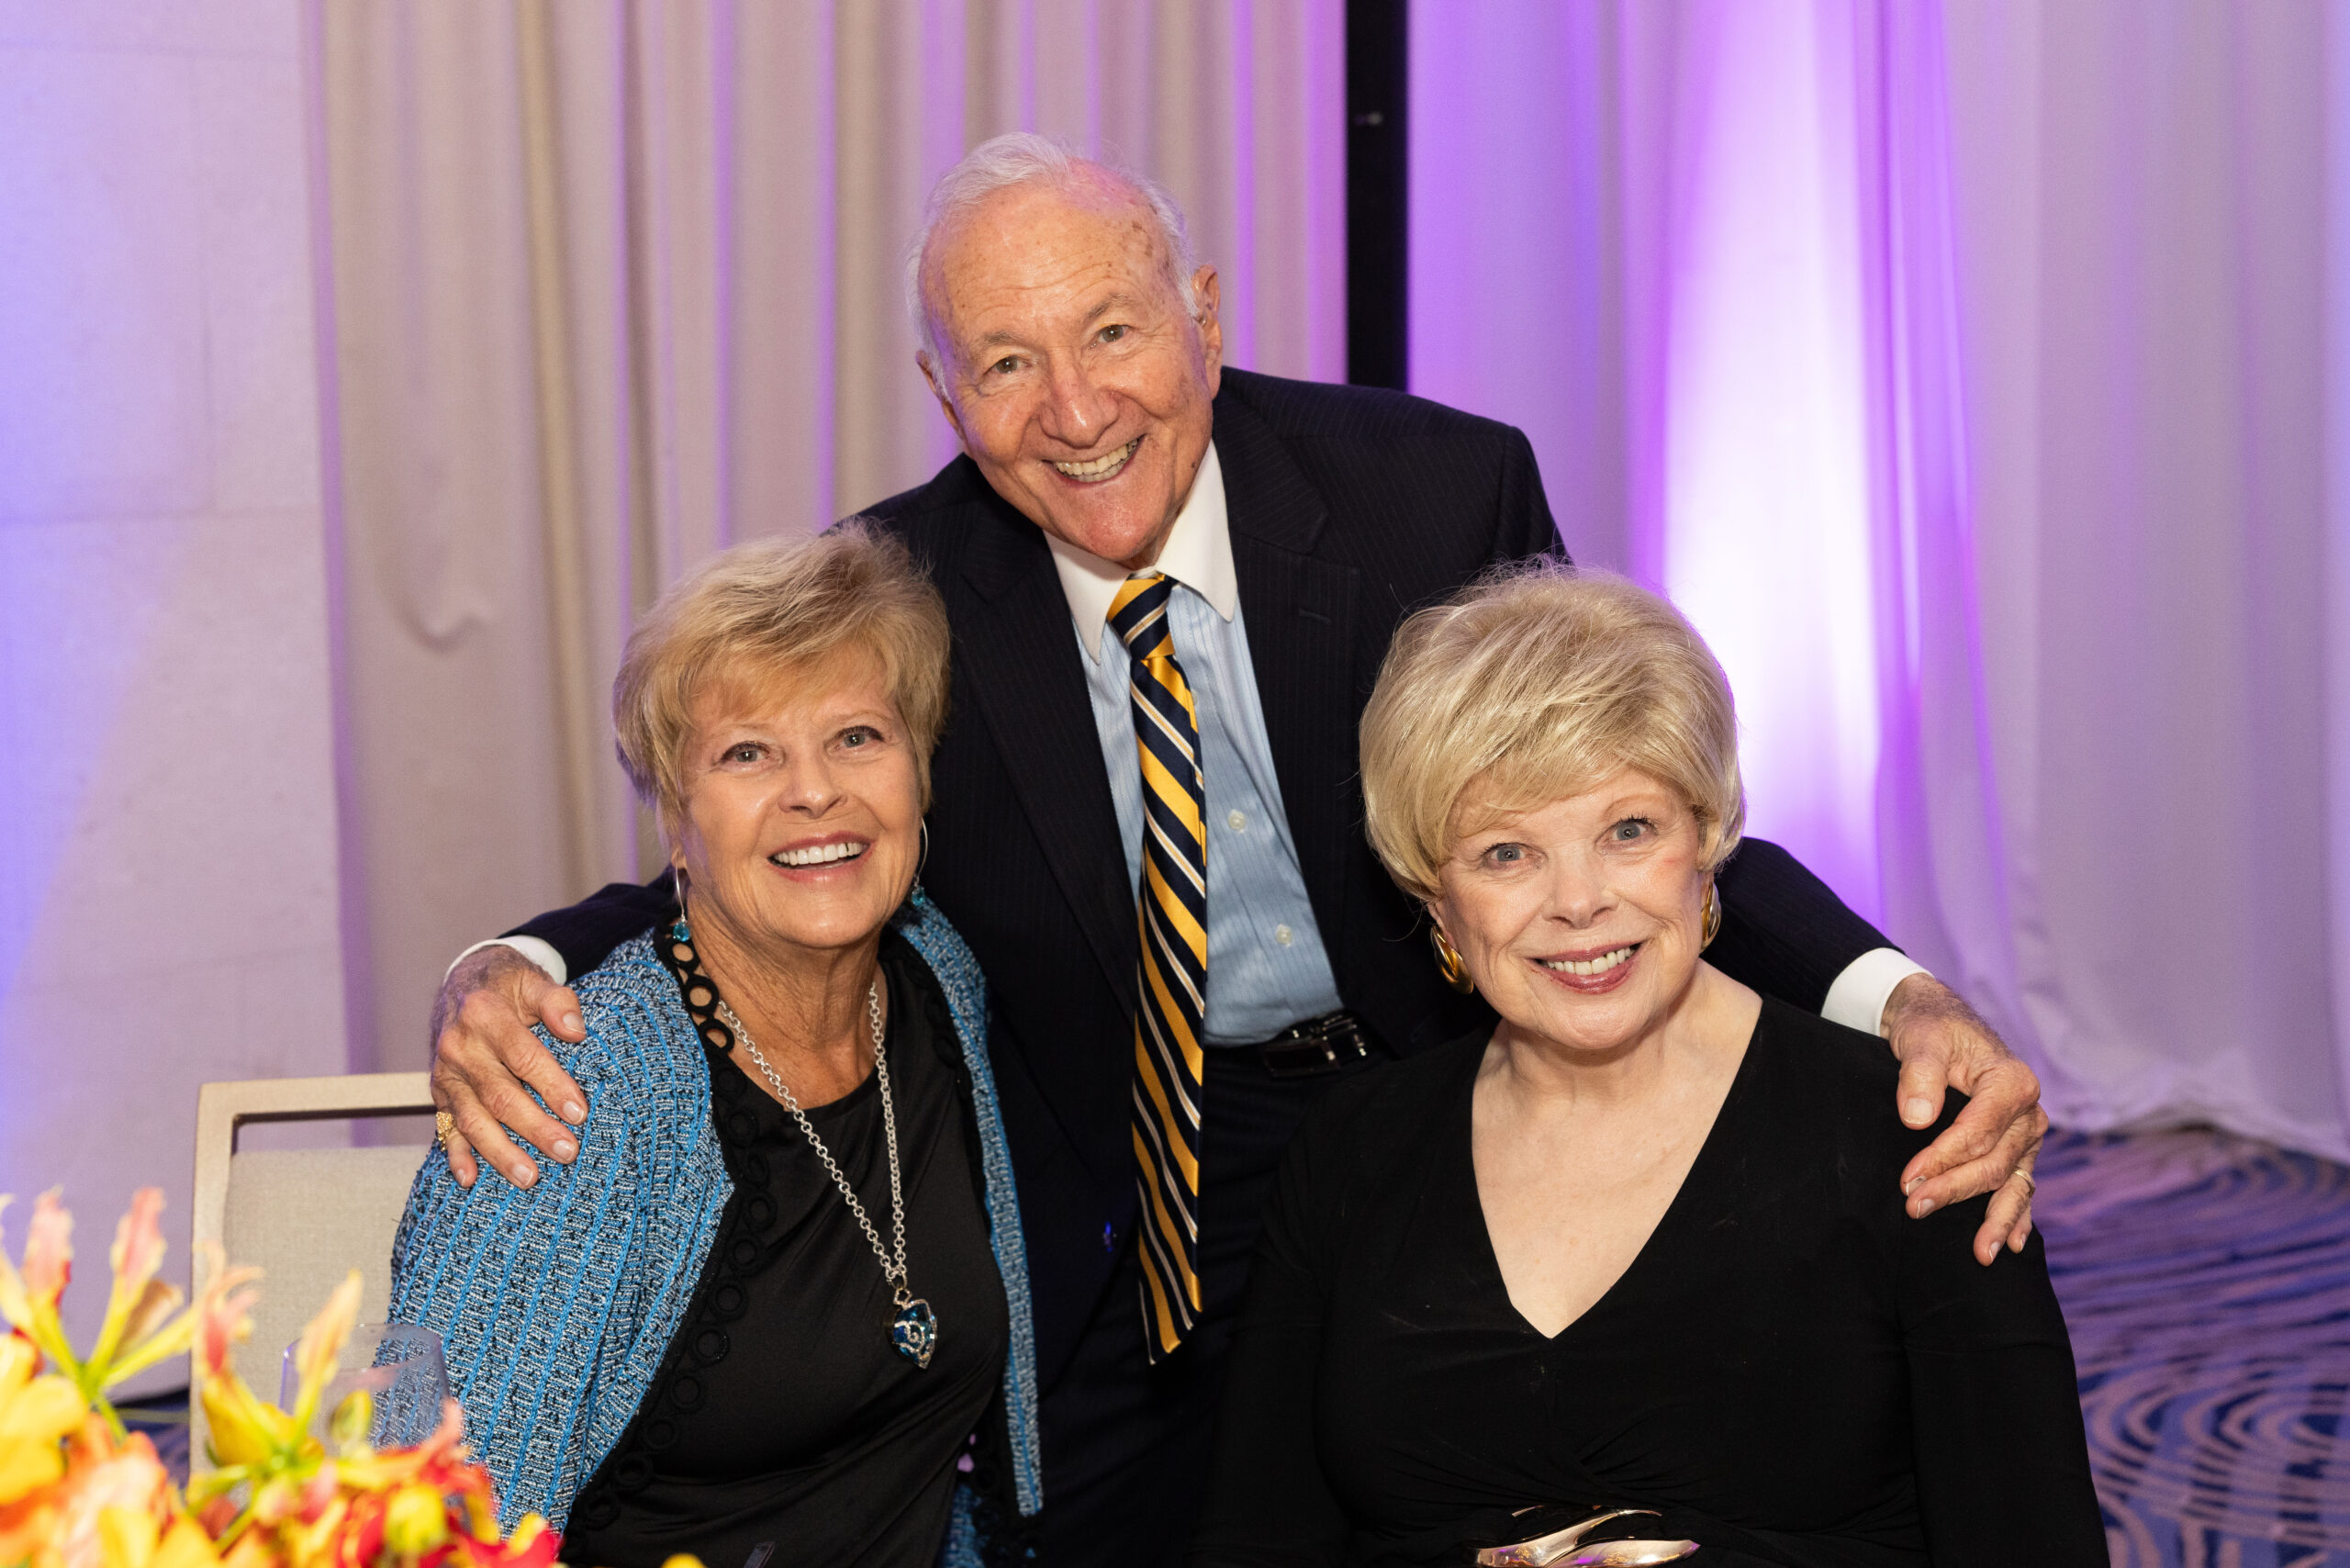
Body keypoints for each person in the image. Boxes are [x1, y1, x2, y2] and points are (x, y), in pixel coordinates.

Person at [419, 135, 2050, 1561]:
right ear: (943, 393)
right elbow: (789, 828)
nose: (1075, 410)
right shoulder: (910, 588)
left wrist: (1894, 994)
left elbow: (1609, 803)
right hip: (1128, 1183)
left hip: (1433, 1102)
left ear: (1202, 311)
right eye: (1006, 363)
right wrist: (520, 958)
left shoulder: (1430, 492)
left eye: (1113, 331)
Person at [1188, 564, 2103, 1568]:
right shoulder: (1352, 1148)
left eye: (1628, 831)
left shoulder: (1915, 1140)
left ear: (1707, 840)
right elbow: (1258, 1539)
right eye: (1506, 853)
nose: (1578, 901)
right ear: (1433, 897)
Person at [386, 527, 1041, 1567]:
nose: (815, 791)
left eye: (858, 736)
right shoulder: (568, 1094)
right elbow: (428, 1529)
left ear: (920, 775)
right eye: (747, 753)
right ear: (675, 825)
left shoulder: (939, 983)